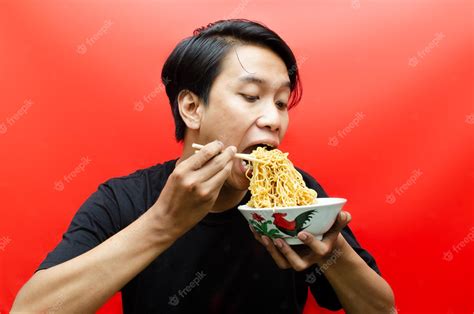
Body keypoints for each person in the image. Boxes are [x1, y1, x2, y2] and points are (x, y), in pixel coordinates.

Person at [12, 19, 395, 313]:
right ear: (192, 108)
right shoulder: (124, 200)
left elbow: (382, 309)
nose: (274, 120)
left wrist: (332, 254)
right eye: (251, 96)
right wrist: (164, 223)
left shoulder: (294, 198)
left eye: (280, 103)